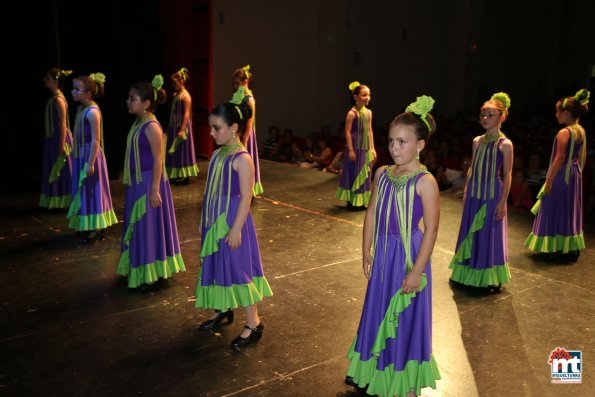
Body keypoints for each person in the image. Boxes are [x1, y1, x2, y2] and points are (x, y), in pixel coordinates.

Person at [345, 96, 441, 396]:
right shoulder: (382, 174)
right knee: (377, 309)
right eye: (391, 141)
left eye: (403, 142)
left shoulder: (425, 182)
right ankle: (372, 368)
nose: (394, 148)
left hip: (408, 257)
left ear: (420, 145)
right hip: (384, 256)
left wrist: (417, 271)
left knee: (403, 318)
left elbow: (432, 228)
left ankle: (403, 379)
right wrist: (366, 250)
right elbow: (372, 212)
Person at [195, 101, 273, 348]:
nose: (212, 133)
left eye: (217, 128)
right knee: (217, 264)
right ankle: (222, 308)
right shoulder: (218, 154)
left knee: (239, 269)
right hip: (213, 219)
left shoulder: (243, 159)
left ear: (234, 128)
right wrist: (203, 219)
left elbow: (246, 197)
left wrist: (237, 228)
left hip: (231, 221)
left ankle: (254, 322)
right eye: (211, 128)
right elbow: (209, 191)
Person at [116, 75, 186, 288]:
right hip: (139, 183)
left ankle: (150, 271)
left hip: (149, 183)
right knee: (138, 226)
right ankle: (137, 266)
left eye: (132, 98)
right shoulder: (139, 123)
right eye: (128, 98)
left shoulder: (151, 126)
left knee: (147, 226)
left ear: (146, 103)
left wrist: (155, 190)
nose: (128, 102)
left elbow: (158, 160)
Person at [448, 92, 513, 294]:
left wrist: (502, 202)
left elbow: (508, 174)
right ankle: (466, 274)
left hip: (492, 194)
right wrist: (466, 189)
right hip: (475, 193)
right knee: (470, 232)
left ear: (502, 117)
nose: (485, 118)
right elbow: (472, 167)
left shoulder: (505, 144)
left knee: (487, 234)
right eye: (483, 114)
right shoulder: (477, 141)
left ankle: (486, 278)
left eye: (490, 115)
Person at [525, 89, 590, 262]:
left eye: (558, 111)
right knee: (567, 209)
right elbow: (581, 157)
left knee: (553, 206)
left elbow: (559, 158)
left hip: (562, 175)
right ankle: (568, 248)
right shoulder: (580, 131)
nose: (556, 115)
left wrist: (548, 181)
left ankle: (552, 247)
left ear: (566, 113)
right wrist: (578, 174)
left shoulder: (565, 132)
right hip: (574, 173)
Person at [67, 73, 117, 243]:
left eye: (76, 89)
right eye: (73, 89)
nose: (73, 92)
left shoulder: (92, 112)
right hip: (81, 155)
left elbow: (96, 139)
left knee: (93, 192)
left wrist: (90, 163)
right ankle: (86, 224)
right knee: (84, 191)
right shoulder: (81, 109)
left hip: (91, 157)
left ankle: (98, 227)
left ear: (88, 93)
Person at [336, 81, 376, 209]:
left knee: (364, 172)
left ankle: (360, 200)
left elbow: (370, 130)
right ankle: (352, 201)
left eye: (368, 95)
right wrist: (351, 150)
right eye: (364, 95)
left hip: (365, 147)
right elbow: (347, 132)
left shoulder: (369, 113)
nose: (367, 98)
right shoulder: (352, 113)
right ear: (356, 97)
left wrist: (372, 148)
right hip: (355, 146)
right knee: (353, 171)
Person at [40, 67, 74, 209]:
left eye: (47, 78)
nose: (45, 80)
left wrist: (61, 144)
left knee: (61, 169)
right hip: (52, 139)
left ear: (55, 81)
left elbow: (63, 123)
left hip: (59, 139)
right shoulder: (53, 98)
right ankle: (55, 200)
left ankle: (64, 201)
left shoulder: (59, 100)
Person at [230, 64, 263, 196]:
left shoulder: (249, 99)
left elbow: (250, 121)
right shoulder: (239, 98)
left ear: (245, 82)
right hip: (238, 133)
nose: (234, 86)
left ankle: (248, 189)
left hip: (246, 135)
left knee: (245, 161)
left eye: (237, 83)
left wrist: (244, 140)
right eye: (233, 83)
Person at [166, 67, 199, 184]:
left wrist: (182, 129)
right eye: (172, 83)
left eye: (175, 83)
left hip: (181, 126)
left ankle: (184, 176)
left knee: (182, 150)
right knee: (174, 150)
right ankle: (175, 173)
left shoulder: (186, 96)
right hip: (174, 126)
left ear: (182, 82)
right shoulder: (176, 94)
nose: (173, 85)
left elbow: (186, 114)